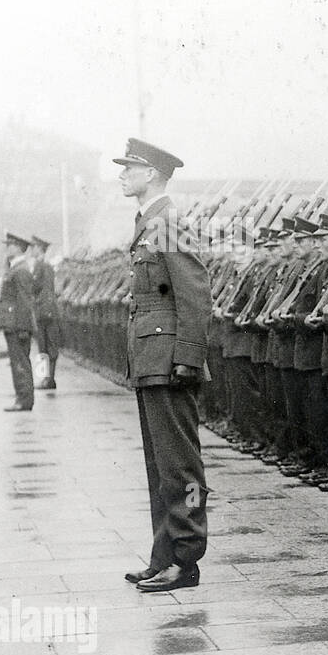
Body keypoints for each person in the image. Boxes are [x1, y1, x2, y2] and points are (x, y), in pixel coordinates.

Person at [113, 138, 211, 592]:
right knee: (160, 465)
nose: (121, 174)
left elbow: (195, 293)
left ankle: (185, 560)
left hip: (169, 360)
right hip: (151, 359)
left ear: (151, 173)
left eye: (128, 167)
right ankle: (162, 555)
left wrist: (188, 358)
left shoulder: (168, 221)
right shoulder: (149, 221)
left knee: (180, 465)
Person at [0, 232, 37, 411]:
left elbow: (24, 301)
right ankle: (22, 398)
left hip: (17, 325)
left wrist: (23, 327)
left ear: (18, 247)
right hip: (13, 324)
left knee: (20, 362)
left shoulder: (20, 270)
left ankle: (24, 399)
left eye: (10, 245)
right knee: (18, 362)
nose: (7, 248)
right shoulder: (15, 268)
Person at [30, 236, 61, 389]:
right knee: (42, 346)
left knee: (49, 346)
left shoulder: (44, 266)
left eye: (34, 246)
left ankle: (48, 379)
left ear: (40, 248)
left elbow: (47, 290)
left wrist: (45, 310)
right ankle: (46, 379)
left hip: (46, 312)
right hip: (42, 311)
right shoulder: (38, 265)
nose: (32, 249)